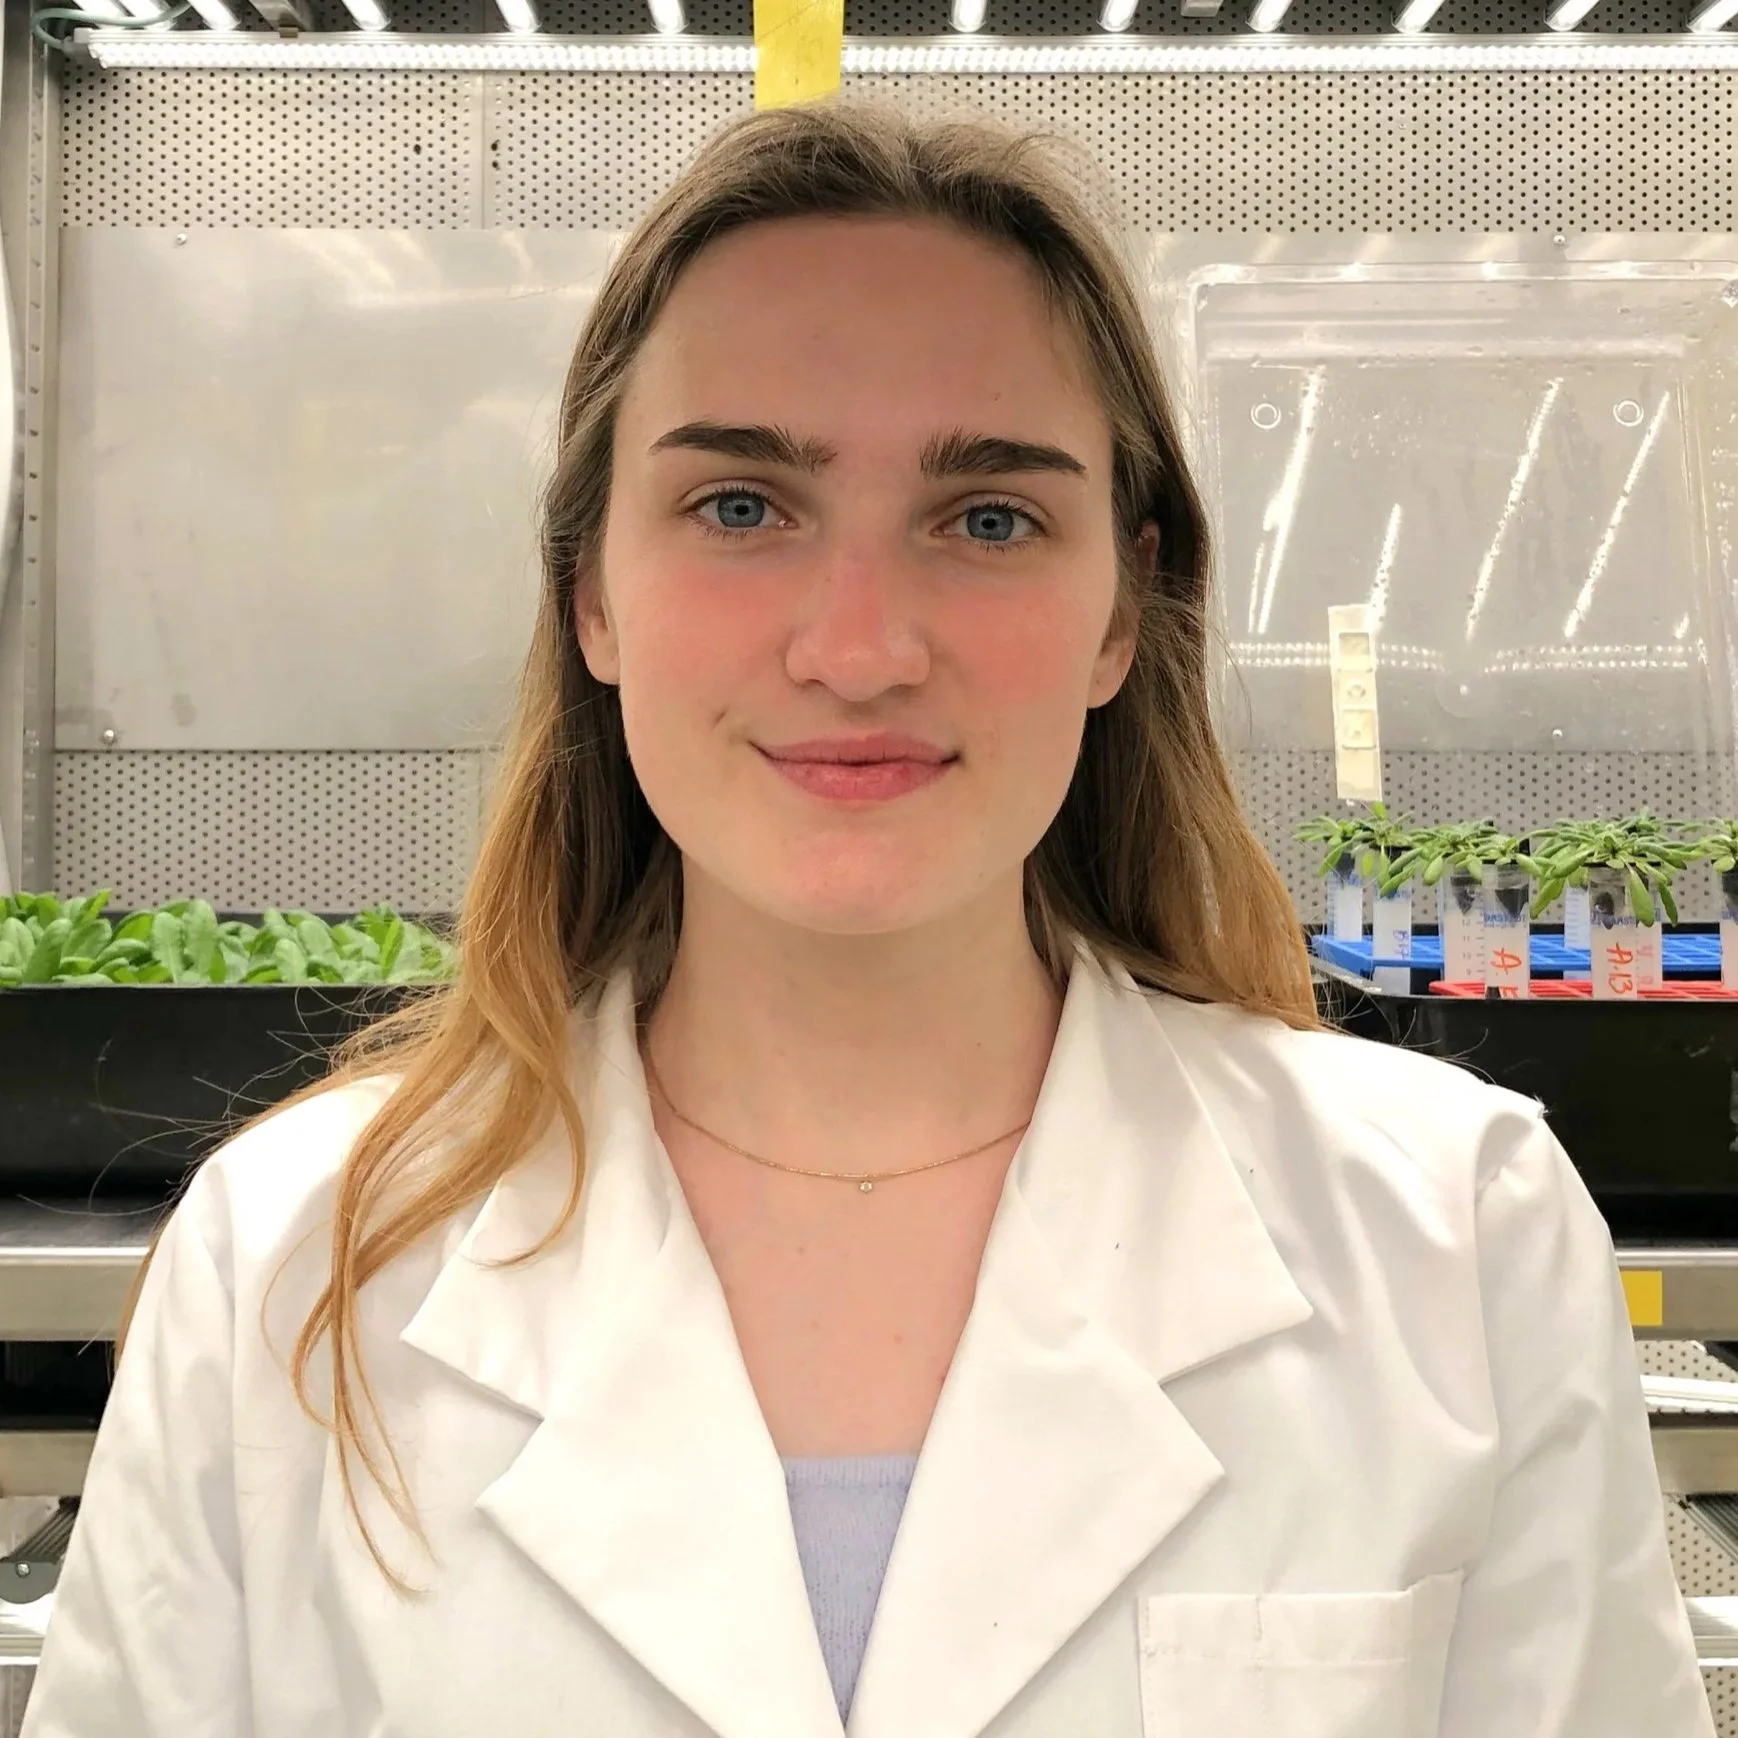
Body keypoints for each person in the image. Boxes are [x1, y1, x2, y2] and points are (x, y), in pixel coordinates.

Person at [19, 98, 1711, 1738]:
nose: (859, 645)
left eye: (987, 517)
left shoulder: (1449, 1235)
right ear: (592, 593)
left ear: (1122, 612)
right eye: (740, 506)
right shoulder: (296, 1266)